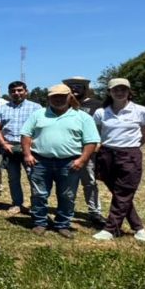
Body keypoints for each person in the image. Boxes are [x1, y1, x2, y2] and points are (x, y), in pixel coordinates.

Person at [21, 84, 100, 239]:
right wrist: (27, 155)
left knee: (67, 195)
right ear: (48, 98)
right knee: (39, 194)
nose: (57, 99)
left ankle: (62, 224)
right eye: (53, 96)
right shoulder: (38, 114)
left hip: (70, 162)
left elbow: (91, 141)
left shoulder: (82, 117)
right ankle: (40, 222)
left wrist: (82, 160)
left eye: (62, 96)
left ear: (69, 97)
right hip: (41, 161)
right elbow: (26, 135)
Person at [92, 78, 145, 243]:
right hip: (106, 154)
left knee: (123, 192)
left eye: (123, 89)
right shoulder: (101, 112)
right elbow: (97, 133)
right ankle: (139, 227)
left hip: (129, 155)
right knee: (120, 193)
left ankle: (110, 229)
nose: (119, 92)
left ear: (129, 91)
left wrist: (131, 147)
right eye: (115, 90)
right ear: (109, 92)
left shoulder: (142, 111)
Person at [0, 81, 42, 215]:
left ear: (26, 91)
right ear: (9, 93)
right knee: (13, 178)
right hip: (10, 148)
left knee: (34, 177)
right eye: (13, 91)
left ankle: (36, 205)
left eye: (19, 90)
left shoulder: (36, 108)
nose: (16, 93)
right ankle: (17, 204)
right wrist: (3, 143)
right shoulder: (2, 108)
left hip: (29, 149)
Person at [63, 76, 105, 225]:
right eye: (71, 87)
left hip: (87, 150)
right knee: (67, 183)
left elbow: (102, 127)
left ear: (85, 89)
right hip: (67, 149)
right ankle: (66, 210)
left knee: (89, 182)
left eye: (78, 87)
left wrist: (98, 143)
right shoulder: (63, 104)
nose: (74, 89)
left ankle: (95, 212)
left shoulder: (97, 105)